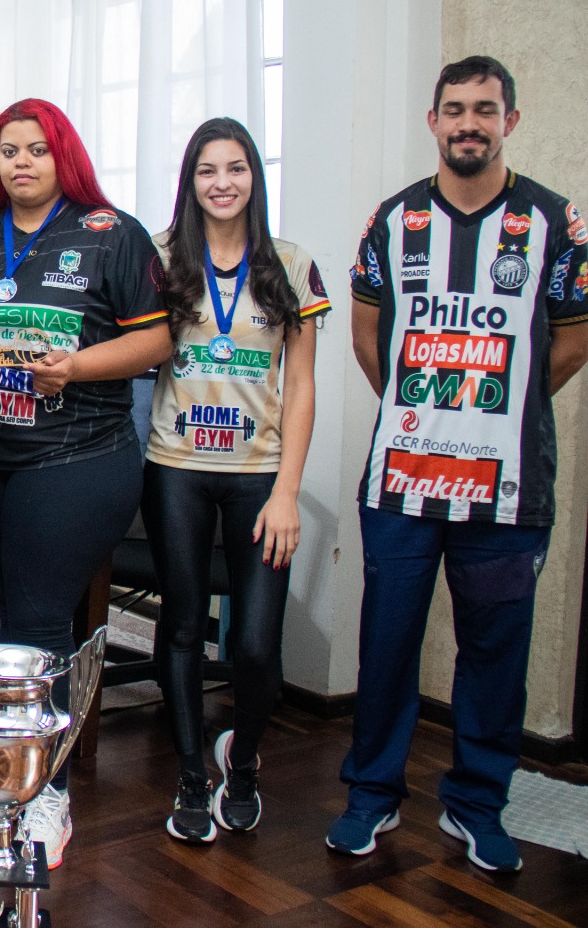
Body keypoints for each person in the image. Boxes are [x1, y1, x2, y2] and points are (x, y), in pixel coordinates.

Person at [327, 56, 588, 872]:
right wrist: (428, 408)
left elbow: (572, 341)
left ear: (510, 119)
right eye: (454, 109)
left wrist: (493, 409)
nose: (468, 122)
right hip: (402, 482)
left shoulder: (555, 221)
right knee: (389, 642)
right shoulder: (392, 221)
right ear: (432, 122)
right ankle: (371, 795)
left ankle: (477, 804)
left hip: (508, 492)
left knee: (494, 651)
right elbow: (370, 340)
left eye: (485, 109)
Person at [0, 98, 172, 868]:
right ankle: (25, 772)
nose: (22, 163)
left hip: (76, 458)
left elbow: (155, 338)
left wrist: (73, 367)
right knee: (27, 620)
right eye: (9, 150)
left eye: (37, 149)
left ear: (62, 154)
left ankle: (40, 796)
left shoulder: (112, 234)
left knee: (35, 623)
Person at [143, 118, 330, 844]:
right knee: (183, 626)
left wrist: (288, 491)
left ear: (254, 177)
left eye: (236, 168)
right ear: (189, 182)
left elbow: (304, 386)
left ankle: (241, 759)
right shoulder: (160, 259)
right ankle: (192, 773)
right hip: (176, 470)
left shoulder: (290, 264)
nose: (222, 182)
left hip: (259, 478)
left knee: (255, 644)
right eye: (206, 170)